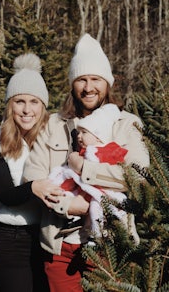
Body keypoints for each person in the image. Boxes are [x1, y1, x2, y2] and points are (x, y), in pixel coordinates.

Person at [23, 33, 150, 292]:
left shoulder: (127, 125)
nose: (88, 87)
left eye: (95, 80)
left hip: (110, 246)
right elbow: (33, 176)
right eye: (81, 79)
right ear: (72, 84)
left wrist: (86, 170)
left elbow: (140, 179)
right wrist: (70, 205)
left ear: (107, 83)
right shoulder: (53, 125)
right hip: (59, 246)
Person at [0, 53, 64, 292]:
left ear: (43, 105)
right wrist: (34, 187)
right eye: (20, 101)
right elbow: (6, 194)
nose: (27, 110)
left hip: (51, 235)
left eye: (34, 102)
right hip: (11, 242)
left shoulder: (54, 138)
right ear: (10, 105)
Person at [48, 103, 140, 246]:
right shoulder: (86, 150)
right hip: (84, 190)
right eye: (79, 132)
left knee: (96, 208)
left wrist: (81, 166)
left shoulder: (103, 151)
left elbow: (128, 173)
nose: (79, 136)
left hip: (104, 191)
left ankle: (96, 236)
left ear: (98, 136)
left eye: (84, 132)